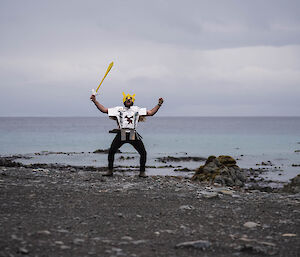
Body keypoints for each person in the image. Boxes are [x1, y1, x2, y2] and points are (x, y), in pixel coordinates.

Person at [90, 92, 164, 177]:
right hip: (122, 133)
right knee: (111, 151)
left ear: (132, 101)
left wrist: (159, 104)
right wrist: (95, 101)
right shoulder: (118, 109)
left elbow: (151, 113)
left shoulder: (137, 109)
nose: (128, 99)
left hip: (132, 133)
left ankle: (142, 172)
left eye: (130, 99)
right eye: (126, 99)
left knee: (143, 152)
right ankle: (110, 171)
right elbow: (104, 110)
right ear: (124, 101)